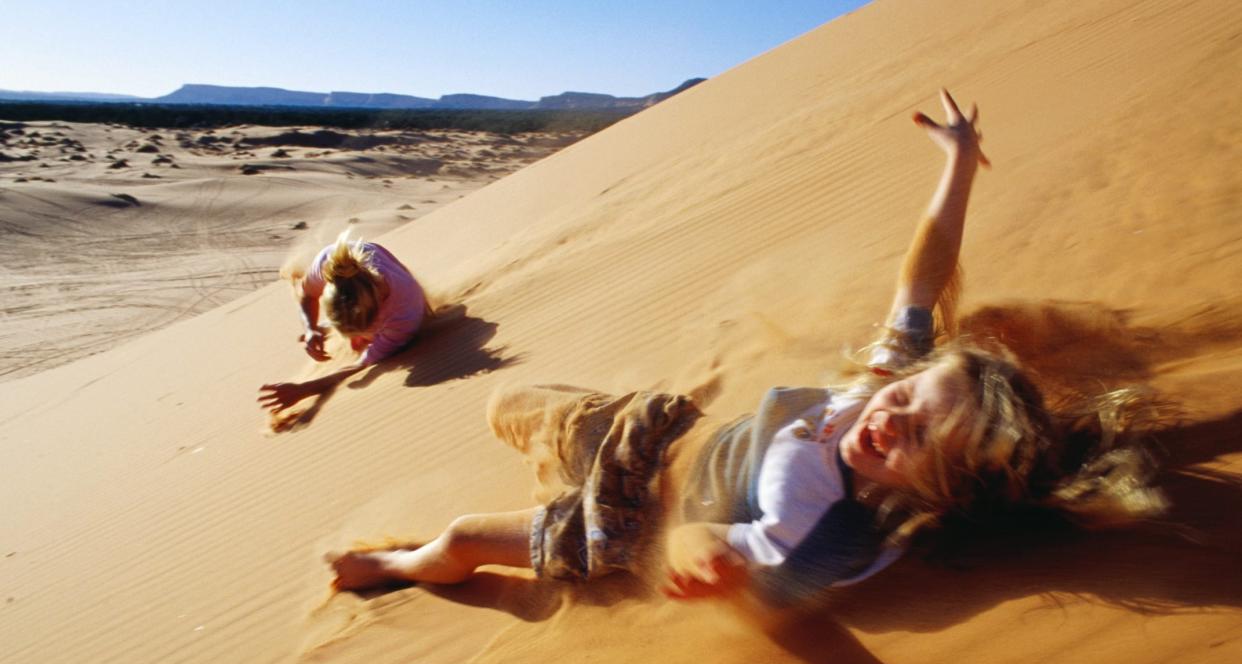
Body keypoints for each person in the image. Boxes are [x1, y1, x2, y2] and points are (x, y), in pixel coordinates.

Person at [327, 90, 1166, 603]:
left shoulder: (827, 529)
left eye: (915, 440)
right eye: (906, 399)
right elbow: (922, 282)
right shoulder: (885, 387)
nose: (890, 419)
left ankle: (402, 567)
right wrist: (959, 167)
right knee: (502, 402)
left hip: (627, 519)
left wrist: (706, 567)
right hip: (652, 433)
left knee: (467, 540)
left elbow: (712, 555)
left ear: (935, 488)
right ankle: (551, 460)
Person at [258, 232, 430, 413]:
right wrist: (311, 328)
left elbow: (361, 365)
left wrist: (305, 389)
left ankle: (338, 328)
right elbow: (308, 294)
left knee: (374, 344)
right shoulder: (329, 265)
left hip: (398, 288)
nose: (353, 342)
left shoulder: (404, 314)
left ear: (377, 319)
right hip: (364, 269)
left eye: (359, 332)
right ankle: (329, 326)